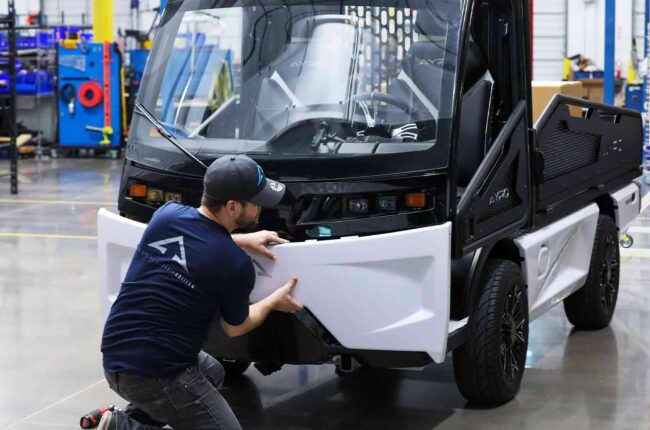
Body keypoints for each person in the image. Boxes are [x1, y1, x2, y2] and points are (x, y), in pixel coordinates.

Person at [98, 154, 303, 429]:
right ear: (232, 207)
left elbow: (200, 239)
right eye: (255, 202)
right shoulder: (234, 264)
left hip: (115, 357)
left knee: (212, 372)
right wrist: (273, 302)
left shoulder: (166, 216)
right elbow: (235, 327)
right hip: (157, 373)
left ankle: (128, 420)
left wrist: (240, 240)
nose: (260, 209)